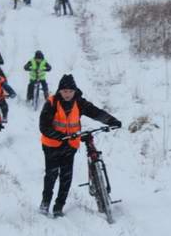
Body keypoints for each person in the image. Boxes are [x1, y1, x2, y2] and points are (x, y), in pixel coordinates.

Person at [39, 74, 121, 217]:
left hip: (69, 145)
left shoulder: (79, 102)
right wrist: (58, 136)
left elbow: (95, 112)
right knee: (51, 175)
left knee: (66, 176)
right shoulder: (52, 103)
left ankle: (59, 206)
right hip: (52, 145)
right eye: (64, 91)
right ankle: (45, 202)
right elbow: (43, 125)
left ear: (75, 91)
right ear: (59, 91)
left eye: (70, 91)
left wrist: (111, 121)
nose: (67, 94)